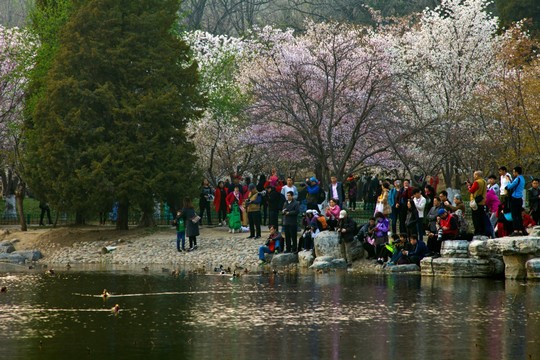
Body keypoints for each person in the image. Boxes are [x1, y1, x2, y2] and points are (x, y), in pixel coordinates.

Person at [505, 166, 525, 236]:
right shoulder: (522, 179)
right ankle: (520, 230)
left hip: (515, 198)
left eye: (514, 172)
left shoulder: (517, 179)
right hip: (520, 198)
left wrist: (507, 181)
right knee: (519, 215)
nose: (513, 173)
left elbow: (510, 186)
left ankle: (516, 230)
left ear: (516, 172)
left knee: (514, 215)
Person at [467, 170, 488, 236]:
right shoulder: (484, 182)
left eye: (474, 175)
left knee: (475, 218)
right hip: (482, 201)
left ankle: (477, 231)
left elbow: (472, 190)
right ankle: (482, 231)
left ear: (477, 175)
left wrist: (469, 186)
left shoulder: (477, 182)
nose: (474, 176)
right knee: (481, 217)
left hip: (476, 202)